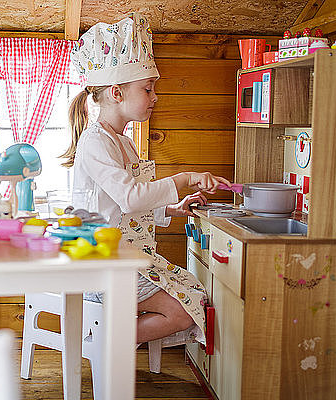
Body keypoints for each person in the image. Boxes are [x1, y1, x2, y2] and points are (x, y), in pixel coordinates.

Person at [62, 14, 232, 344]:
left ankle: (112, 343)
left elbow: (129, 209)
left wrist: (172, 209)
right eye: (148, 88)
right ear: (116, 93)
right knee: (184, 309)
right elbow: (130, 198)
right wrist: (185, 178)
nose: (154, 97)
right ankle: (109, 345)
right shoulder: (95, 142)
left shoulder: (123, 141)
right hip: (103, 263)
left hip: (126, 255)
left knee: (193, 290)